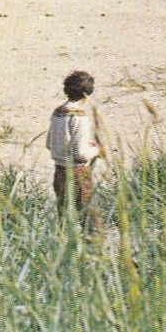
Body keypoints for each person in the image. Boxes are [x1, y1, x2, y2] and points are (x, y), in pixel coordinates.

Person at [46, 70, 104, 232]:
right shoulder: (80, 117)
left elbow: (49, 144)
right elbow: (81, 153)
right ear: (87, 94)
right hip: (77, 173)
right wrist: (96, 150)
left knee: (64, 221)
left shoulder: (57, 113)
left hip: (59, 172)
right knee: (90, 222)